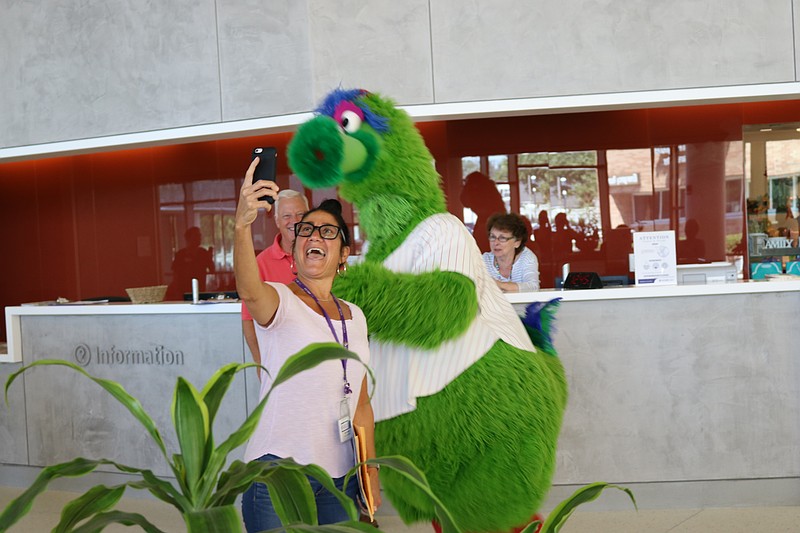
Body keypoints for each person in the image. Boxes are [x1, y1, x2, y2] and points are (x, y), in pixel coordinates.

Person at [234, 158, 380, 531]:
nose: (314, 237)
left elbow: (361, 406)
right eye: (306, 231)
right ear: (295, 251)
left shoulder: (357, 317)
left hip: (340, 478)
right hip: (278, 474)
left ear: (344, 256)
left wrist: (370, 483)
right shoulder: (280, 300)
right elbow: (250, 291)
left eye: (327, 232)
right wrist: (242, 225)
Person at [242, 189, 308, 380]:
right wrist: (261, 363)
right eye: (287, 216)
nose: (294, 221)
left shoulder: (320, 255)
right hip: (280, 366)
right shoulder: (261, 263)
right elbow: (248, 320)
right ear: (277, 221)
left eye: (300, 214)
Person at [482, 212, 540, 292]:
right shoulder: (484, 260)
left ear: (517, 242)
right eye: (492, 237)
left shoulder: (526, 257)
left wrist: (497, 284)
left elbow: (533, 287)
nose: (496, 243)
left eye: (502, 238)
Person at [165, 226, 215, 300]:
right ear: (188, 238)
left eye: (199, 236)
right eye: (196, 236)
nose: (199, 238)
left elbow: (212, 270)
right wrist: (176, 291)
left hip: (200, 290)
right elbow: (175, 274)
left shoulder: (203, 253)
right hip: (183, 291)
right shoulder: (180, 254)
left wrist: (210, 258)